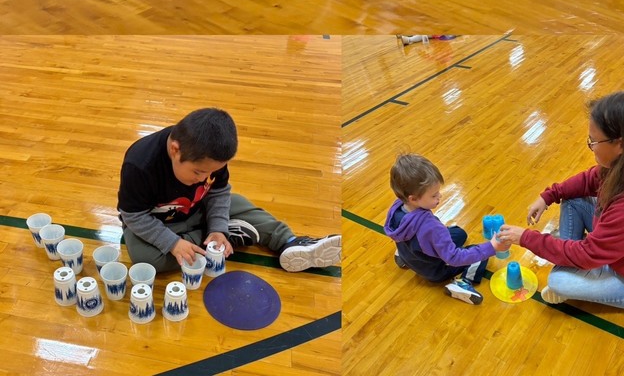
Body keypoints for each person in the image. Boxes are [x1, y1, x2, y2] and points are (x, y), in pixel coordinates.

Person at [497, 90, 624, 309]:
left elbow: (589, 254)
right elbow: (592, 178)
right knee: (573, 199)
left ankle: (575, 264)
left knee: (558, 281)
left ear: (620, 143)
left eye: (593, 141)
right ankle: (574, 257)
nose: (591, 146)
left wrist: (526, 238)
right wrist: (548, 196)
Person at [117, 107, 341, 273]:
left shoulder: (209, 156)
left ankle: (290, 242)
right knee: (145, 259)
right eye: (197, 173)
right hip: (157, 222)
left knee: (239, 203)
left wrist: (218, 228)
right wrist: (173, 243)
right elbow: (133, 216)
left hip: (196, 211)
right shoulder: (140, 164)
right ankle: (231, 234)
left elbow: (219, 192)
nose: (204, 179)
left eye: (210, 173)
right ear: (175, 150)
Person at [385, 153, 511, 306]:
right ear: (413, 198)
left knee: (459, 233)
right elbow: (454, 258)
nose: (440, 196)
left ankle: (404, 257)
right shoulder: (431, 227)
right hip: (435, 271)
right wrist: (492, 247)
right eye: (434, 195)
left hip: (411, 255)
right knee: (481, 254)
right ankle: (463, 283)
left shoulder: (397, 207)